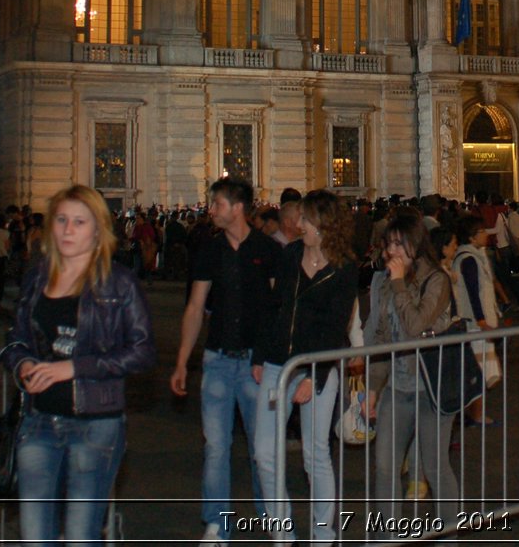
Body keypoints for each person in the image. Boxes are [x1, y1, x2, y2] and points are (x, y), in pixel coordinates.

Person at [5, 184, 156, 546]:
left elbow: (142, 351)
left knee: (80, 535)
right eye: (61, 220)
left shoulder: (119, 282)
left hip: (96, 424)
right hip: (38, 420)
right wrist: (24, 363)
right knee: (35, 535)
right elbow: (16, 338)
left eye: (79, 221)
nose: (68, 230)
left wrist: (74, 367)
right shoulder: (38, 276)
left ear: (97, 229)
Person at [171, 178, 281, 544]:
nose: (211, 209)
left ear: (237, 208)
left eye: (217, 203)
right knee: (216, 446)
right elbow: (195, 306)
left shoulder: (267, 249)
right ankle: (217, 524)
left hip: (255, 363)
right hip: (217, 359)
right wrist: (183, 360)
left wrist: (268, 356)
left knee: (260, 448)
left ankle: (272, 518)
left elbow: (275, 311)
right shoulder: (209, 249)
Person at [251, 192, 359, 545]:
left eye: (307, 220)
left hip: (319, 366)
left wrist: (315, 375)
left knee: (316, 453)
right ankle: (283, 531)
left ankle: (323, 534)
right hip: (278, 360)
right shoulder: (291, 254)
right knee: (265, 451)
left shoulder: (344, 268)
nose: (300, 226)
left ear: (325, 226)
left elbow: (336, 326)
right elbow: (273, 307)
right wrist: (259, 354)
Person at [362, 213, 458, 526]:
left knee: (435, 466)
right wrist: (373, 389)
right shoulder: (388, 283)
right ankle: (387, 536)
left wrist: (400, 282)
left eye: (398, 244)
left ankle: (447, 535)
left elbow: (416, 325)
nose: (391, 252)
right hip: (398, 387)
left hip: (431, 388)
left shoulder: (437, 280)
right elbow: (381, 337)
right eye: (388, 245)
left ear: (414, 245)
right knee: (386, 467)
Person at [449, 213, 500, 425]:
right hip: (474, 324)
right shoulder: (469, 259)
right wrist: (481, 320)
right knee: (479, 371)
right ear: (471, 237)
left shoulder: (471, 256)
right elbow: (473, 291)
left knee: (476, 369)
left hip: (474, 322)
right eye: (482, 232)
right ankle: (476, 414)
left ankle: (469, 412)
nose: (486, 235)